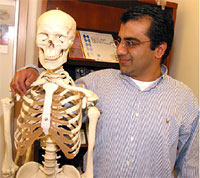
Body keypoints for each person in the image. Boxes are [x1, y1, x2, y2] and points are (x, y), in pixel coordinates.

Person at [10, 5, 199, 178]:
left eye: (130, 43)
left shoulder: (184, 100)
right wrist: (35, 71)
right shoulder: (96, 82)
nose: (119, 50)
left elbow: (192, 166)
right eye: (119, 40)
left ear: (159, 49)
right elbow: (58, 92)